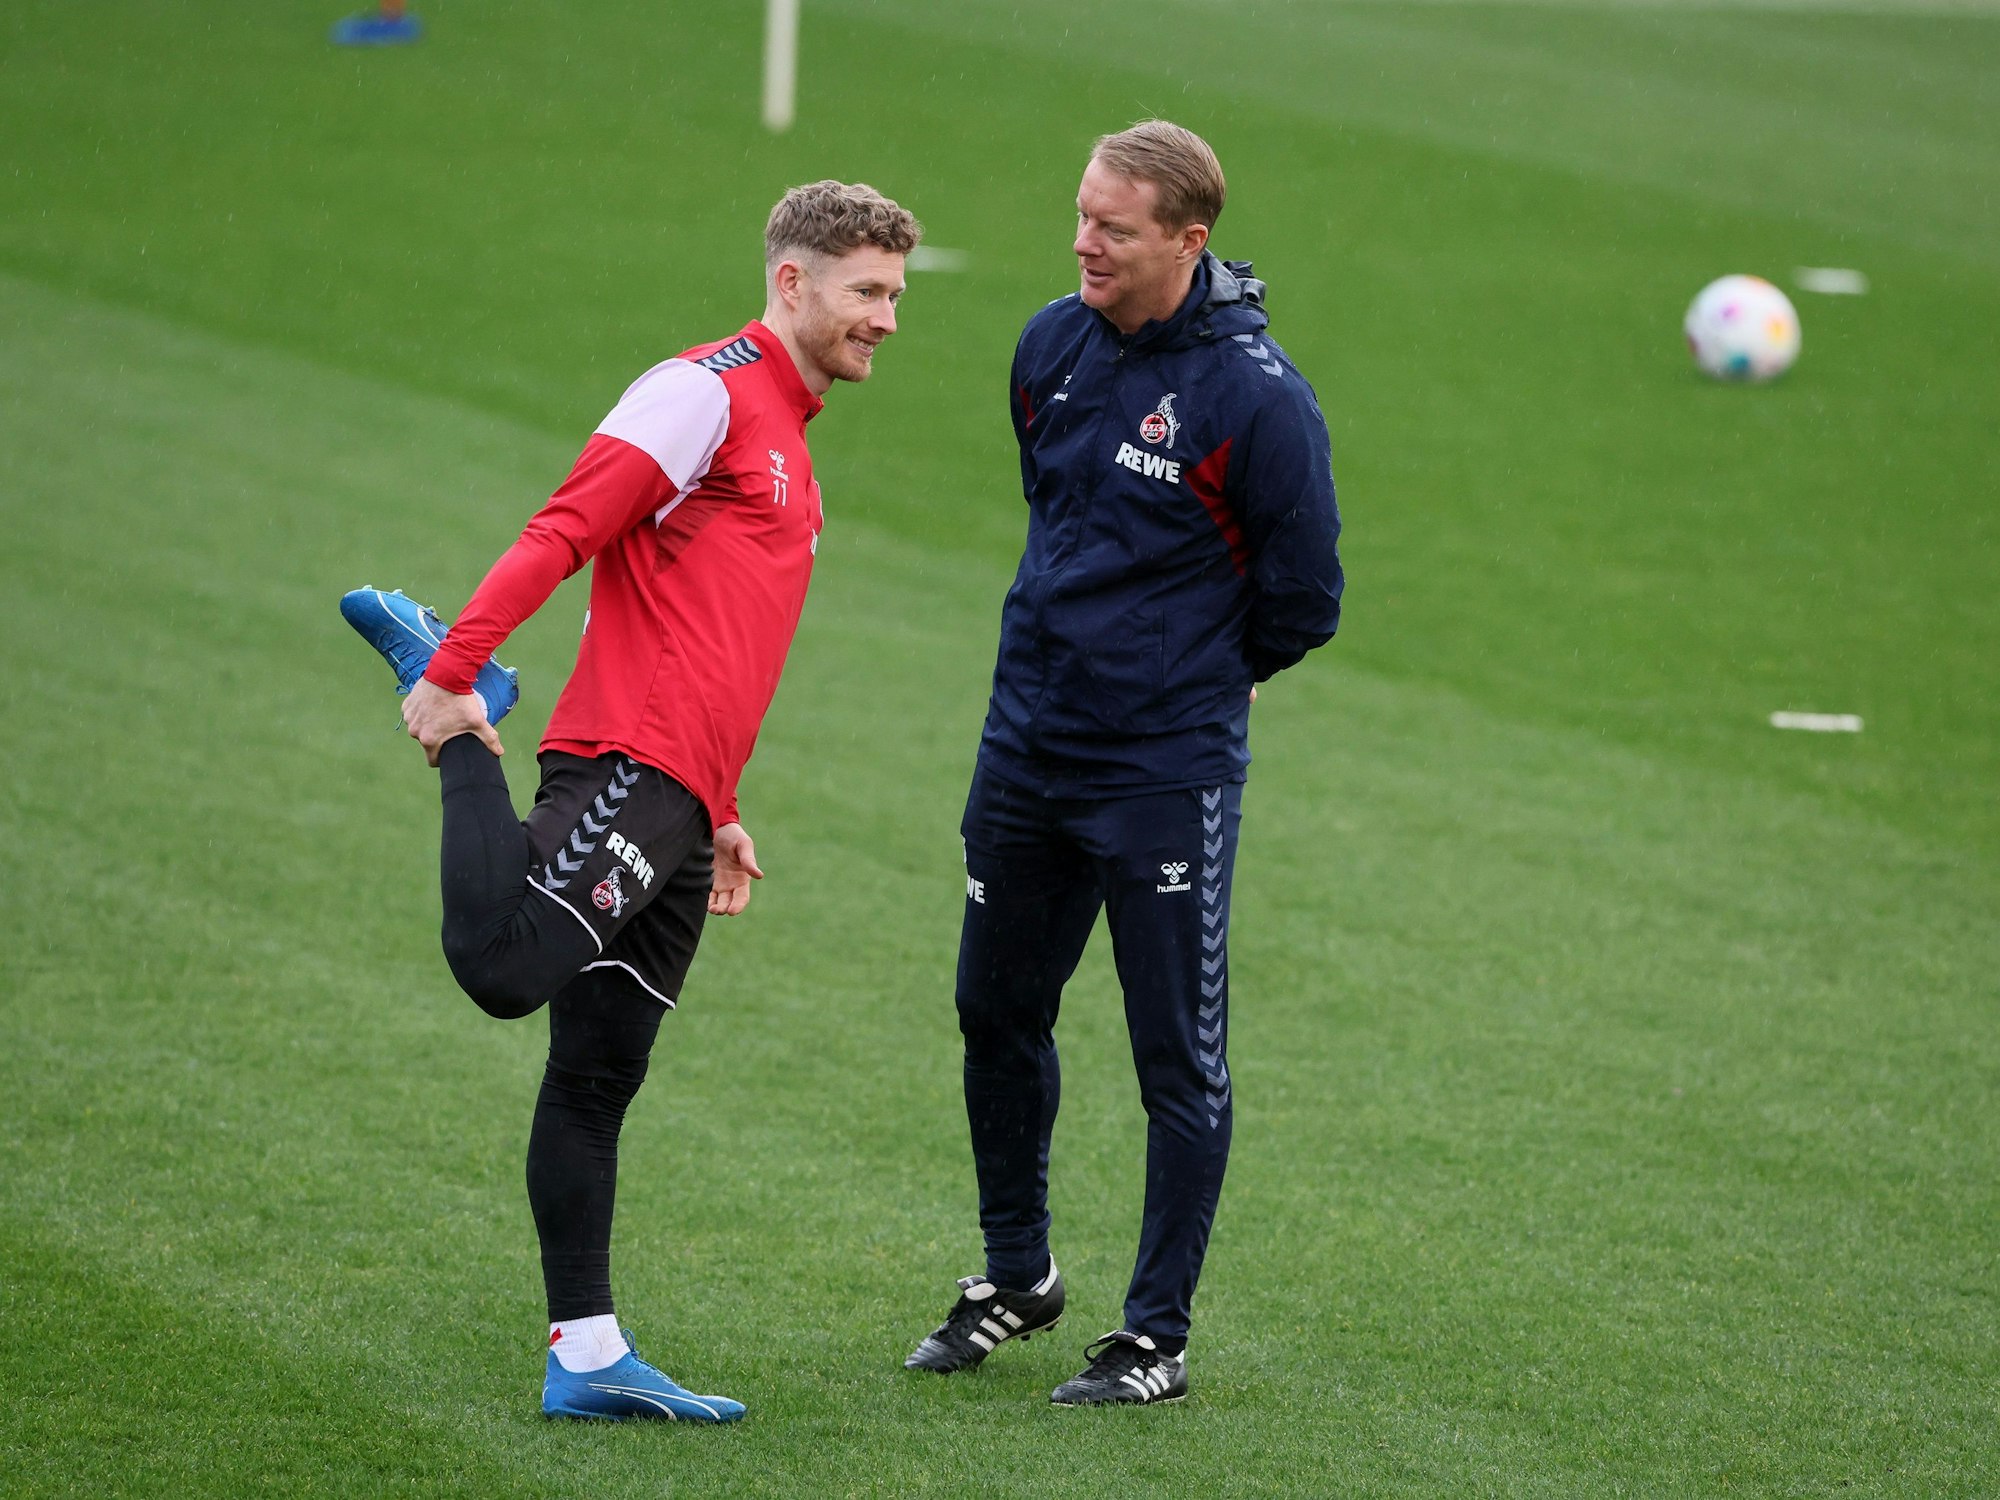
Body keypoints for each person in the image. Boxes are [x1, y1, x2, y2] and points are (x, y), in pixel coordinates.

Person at [340, 180, 920, 1423]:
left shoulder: (791, 439)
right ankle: (467, 717)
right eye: (867, 292)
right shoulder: (701, 390)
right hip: (626, 761)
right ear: (790, 282)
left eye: (893, 294)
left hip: (680, 794)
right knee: (503, 966)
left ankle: (587, 1356)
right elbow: (564, 526)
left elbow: (721, 635)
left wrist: (718, 802)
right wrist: (451, 686)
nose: (885, 318)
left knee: (598, 1075)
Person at [903, 121, 1343, 1406]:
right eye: (1081, 215)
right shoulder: (1049, 343)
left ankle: (1154, 1335)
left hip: (1160, 772)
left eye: (1113, 226)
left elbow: (1303, 598)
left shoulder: (1256, 398)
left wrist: (1199, 678)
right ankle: (1017, 1278)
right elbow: (1056, 520)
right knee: (993, 1010)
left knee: (1174, 1061)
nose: (1083, 241)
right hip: (1026, 748)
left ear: (1185, 241)